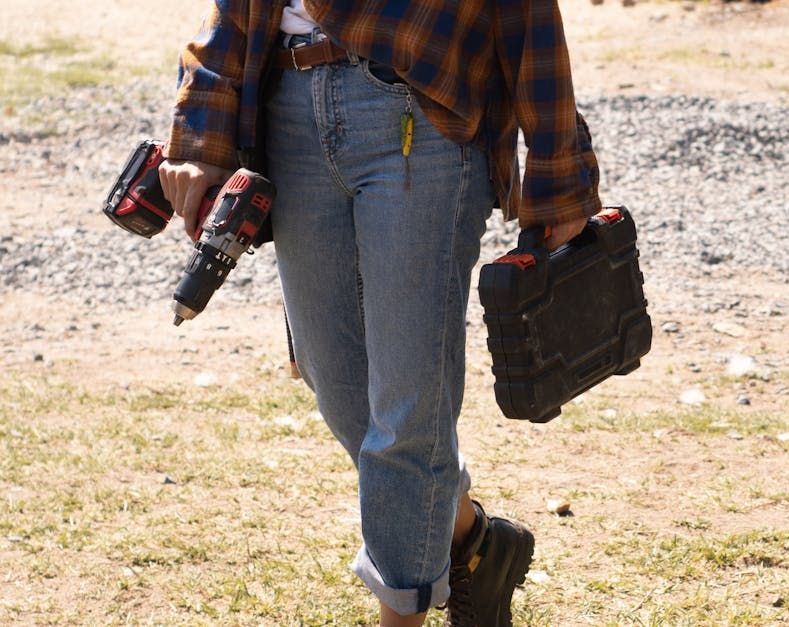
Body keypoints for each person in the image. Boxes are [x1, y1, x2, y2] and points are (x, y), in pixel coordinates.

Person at [157, 1, 602, 625]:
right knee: (334, 379)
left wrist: (558, 172)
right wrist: (200, 135)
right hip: (289, 109)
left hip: (418, 109)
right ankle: (472, 536)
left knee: (406, 404)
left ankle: (402, 611)